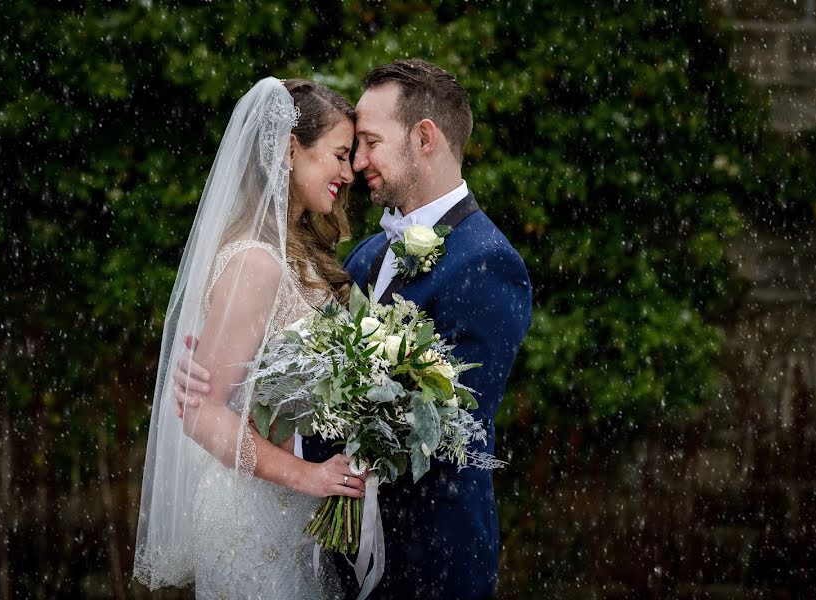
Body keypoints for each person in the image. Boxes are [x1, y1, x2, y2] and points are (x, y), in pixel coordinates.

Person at [177, 59, 532, 600]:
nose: (359, 162)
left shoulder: (488, 263)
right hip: (330, 551)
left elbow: (459, 433)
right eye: (348, 150)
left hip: (430, 561)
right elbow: (302, 366)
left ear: (424, 138)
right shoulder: (363, 258)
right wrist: (229, 390)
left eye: (368, 142)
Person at [133, 77, 366, 599]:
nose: (348, 173)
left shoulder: (297, 253)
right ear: (289, 151)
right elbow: (201, 412)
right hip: (256, 516)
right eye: (339, 154)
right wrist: (309, 477)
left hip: (292, 513)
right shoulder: (255, 263)